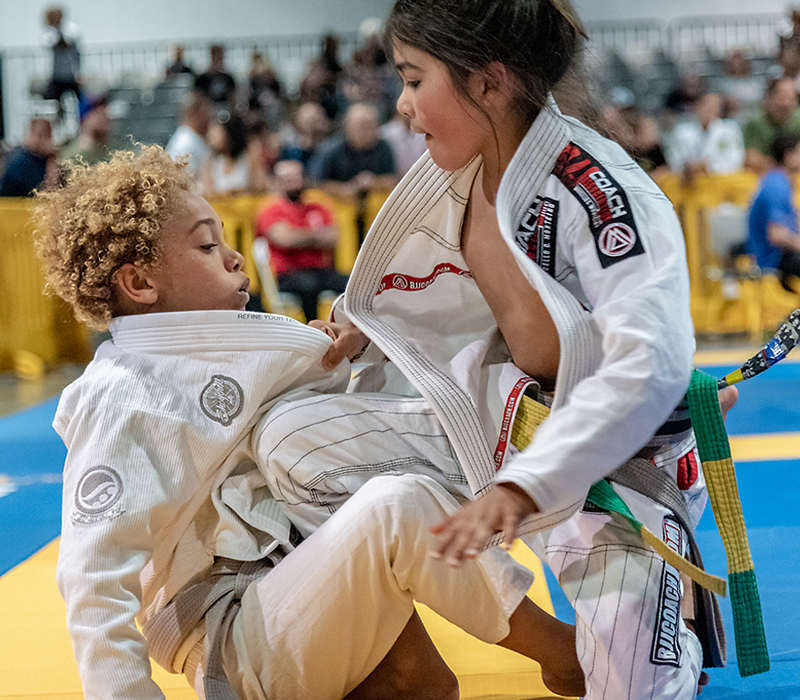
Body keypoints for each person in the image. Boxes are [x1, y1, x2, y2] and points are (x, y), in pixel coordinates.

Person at [32, 145, 583, 700]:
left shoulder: (223, 353)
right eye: (206, 245)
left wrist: (355, 337)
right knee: (391, 504)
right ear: (141, 285)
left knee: (425, 686)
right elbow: (93, 580)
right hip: (236, 640)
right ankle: (563, 654)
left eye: (225, 239)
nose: (234, 257)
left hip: (290, 583)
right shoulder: (121, 394)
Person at [303, 1, 741, 698]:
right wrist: (362, 328)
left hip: (606, 466)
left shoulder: (600, 192)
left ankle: (670, 636)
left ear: (489, 83)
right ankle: (493, 650)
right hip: (489, 424)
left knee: (634, 690)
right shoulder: (453, 173)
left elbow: (650, 361)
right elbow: (423, 293)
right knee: (290, 444)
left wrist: (524, 487)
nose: (405, 108)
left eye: (415, 81)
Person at [255, 159, 348, 321]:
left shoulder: (318, 206)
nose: (293, 183)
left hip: (321, 271)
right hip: (287, 274)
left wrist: (296, 235)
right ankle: (312, 329)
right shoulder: (270, 210)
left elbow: (333, 238)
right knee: (308, 286)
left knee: (351, 283)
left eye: (296, 178)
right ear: (277, 182)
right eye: (287, 179)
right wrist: (316, 236)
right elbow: (284, 240)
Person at [312, 102, 398, 200]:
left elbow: (392, 179)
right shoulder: (331, 149)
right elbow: (318, 183)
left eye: (371, 126)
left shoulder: (383, 146)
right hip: (340, 204)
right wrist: (347, 188)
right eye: (362, 126)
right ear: (348, 127)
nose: (367, 131)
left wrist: (374, 182)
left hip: (374, 203)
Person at [747, 132, 800, 290]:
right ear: (789, 155)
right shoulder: (776, 186)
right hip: (772, 260)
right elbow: (776, 235)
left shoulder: (778, 181)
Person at [666, 92, 745, 178]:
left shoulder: (730, 129)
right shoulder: (681, 131)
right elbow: (674, 159)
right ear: (698, 107)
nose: (709, 110)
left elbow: (735, 159)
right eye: (706, 105)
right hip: (689, 179)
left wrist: (708, 166)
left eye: (714, 107)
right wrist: (689, 167)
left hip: (719, 178)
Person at [201, 111, 268, 196]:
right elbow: (207, 193)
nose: (212, 138)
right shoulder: (210, 164)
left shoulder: (248, 159)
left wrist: (240, 191)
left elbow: (261, 187)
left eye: (217, 133)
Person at [743, 75, 800, 173]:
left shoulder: (798, 119)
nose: (787, 99)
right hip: (765, 175)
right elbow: (749, 158)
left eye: (791, 94)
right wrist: (778, 165)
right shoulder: (755, 122)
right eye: (783, 93)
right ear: (770, 95)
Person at [41, 6, 82, 123]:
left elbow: (76, 50)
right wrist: (56, 32)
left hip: (71, 75)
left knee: (77, 103)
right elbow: (48, 43)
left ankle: (79, 125)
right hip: (56, 77)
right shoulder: (49, 33)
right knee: (54, 105)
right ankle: (57, 126)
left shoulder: (71, 30)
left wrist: (79, 72)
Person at [0, 118, 59, 197]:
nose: (45, 140)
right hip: (13, 205)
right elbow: (48, 191)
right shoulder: (19, 160)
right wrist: (52, 158)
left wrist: (52, 157)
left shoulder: (42, 157)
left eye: (48, 135)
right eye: (41, 135)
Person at [166, 91, 212, 183]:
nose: (209, 117)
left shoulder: (192, 138)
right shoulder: (185, 144)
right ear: (196, 113)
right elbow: (187, 182)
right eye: (206, 112)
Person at [59, 93, 113, 166]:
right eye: (97, 113)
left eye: (104, 113)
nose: (103, 117)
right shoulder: (73, 155)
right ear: (85, 118)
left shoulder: (114, 149)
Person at [195, 45, 237, 110]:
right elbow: (198, 97)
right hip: (207, 110)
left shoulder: (228, 78)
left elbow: (232, 97)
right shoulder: (201, 79)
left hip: (225, 111)